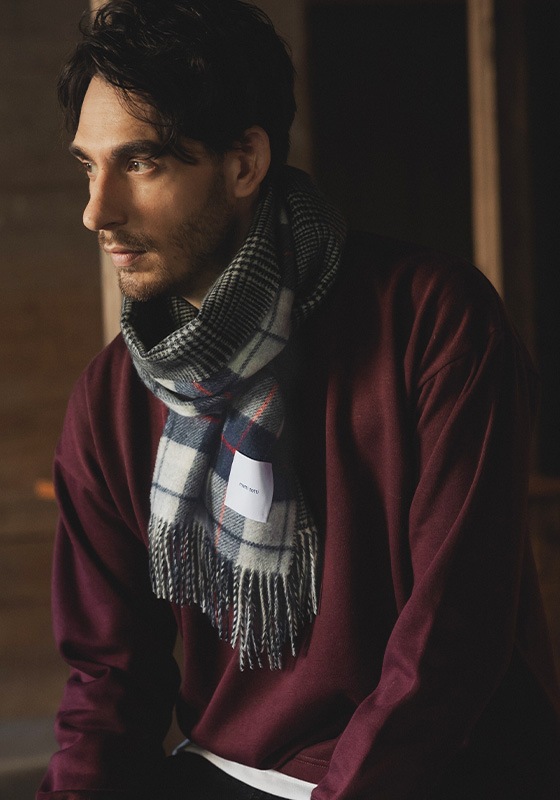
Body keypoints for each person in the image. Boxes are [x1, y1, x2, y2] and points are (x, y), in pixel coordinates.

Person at [38, 1, 560, 798]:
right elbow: (108, 682)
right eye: (88, 166)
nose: (96, 211)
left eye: (140, 163)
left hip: (432, 774)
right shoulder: (111, 396)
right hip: (222, 771)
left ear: (245, 162)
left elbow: (447, 648)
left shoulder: (435, 323)